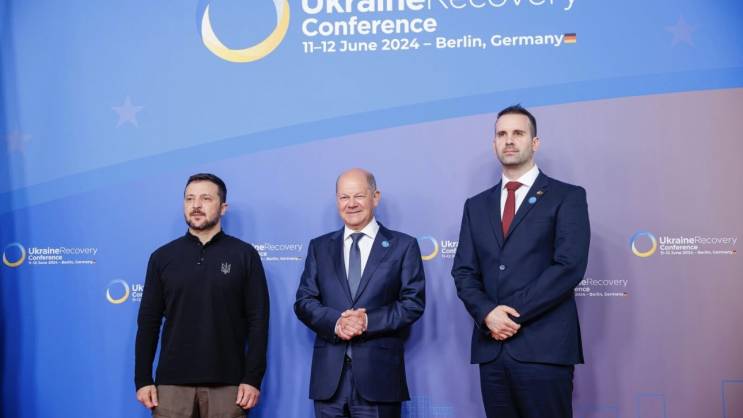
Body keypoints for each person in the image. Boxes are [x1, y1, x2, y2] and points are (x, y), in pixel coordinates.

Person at [452, 105, 590, 418]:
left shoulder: (566, 196)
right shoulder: (476, 206)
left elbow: (569, 266)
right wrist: (488, 314)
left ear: (534, 142)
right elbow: (463, 271)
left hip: (544, 350)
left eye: (518, 133)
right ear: (494, 144)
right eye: (502, 134)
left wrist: (509, 314)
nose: (509, 140)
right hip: (492, 350)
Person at [134, 173, 269, 417]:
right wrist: (143, 379)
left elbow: (258, 321)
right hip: (171, 387)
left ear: (223, 207)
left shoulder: (244, 255)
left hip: (229, 386)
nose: (196, 205)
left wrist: (252, 378)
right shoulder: (162, 257)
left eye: (206, 198)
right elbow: (148, 323)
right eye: (189, 199)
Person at [295, 168, 425, 418]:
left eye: (359, 196)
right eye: (344, 197)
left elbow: (412, 303)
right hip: (329, 382)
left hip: (380, 380)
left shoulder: (403, 246)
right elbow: (304, 301)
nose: (351, 204)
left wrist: (366, 321)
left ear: (375, 197)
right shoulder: (319, 247)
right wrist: (337, 322)